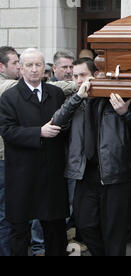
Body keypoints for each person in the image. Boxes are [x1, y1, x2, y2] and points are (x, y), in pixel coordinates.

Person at [53, 57, 131, 256]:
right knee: (85, 225)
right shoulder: (75, 100)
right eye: (75, 76)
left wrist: (125, 113)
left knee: (114, 231)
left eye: (82, 75)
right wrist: (77, 97)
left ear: (96, 75)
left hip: (115, 174)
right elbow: (57, 122)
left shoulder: (117, 98)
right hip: (85, 173)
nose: (78, 80)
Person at [0, 48, 69, 256]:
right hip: (22, 172)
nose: (33, 70)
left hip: (51, 171)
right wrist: (39, 132)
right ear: (20, 69)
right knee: (19, 228)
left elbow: (65, 125)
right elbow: (8, 131)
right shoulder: (9, 97)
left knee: (55, 228)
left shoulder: (55, 93)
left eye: (38, 65)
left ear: (44, 68)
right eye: (29, 65)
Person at [0, 46, 20, 256]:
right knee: (5, 214)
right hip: (3, 159)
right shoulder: (8, 86)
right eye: (15, 63)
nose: (20, 67)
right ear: (2, 66)